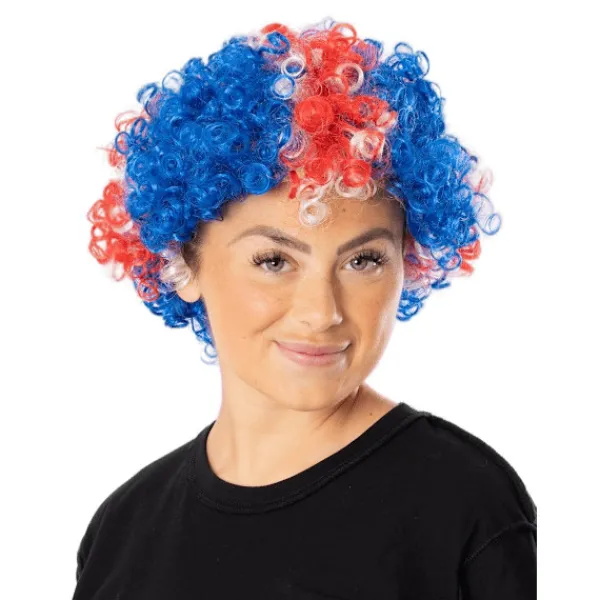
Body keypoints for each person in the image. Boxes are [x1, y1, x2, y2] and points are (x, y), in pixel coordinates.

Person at [76, 17, 536, 599]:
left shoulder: (465, 508)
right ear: (182, 262)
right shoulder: (123, 530)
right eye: (274, 261)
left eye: (363, 260)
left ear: (407, 260)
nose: (322, 313)